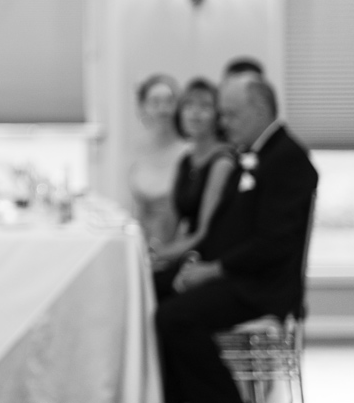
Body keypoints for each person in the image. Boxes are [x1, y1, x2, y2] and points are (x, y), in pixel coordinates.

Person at [154, 75, 318, 403]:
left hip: (262, 286)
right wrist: (194, 262)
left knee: (174, 318)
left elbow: (274, 244)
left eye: (230, 114)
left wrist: (213, 270)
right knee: (153, 288)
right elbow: (223, 230)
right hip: (237, 272)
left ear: (259, 110)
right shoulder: (250, 154)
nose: (223, 123)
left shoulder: (288, 159)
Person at [150, 78, 234, 270]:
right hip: (187, 254)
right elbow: (170, 222)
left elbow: (205, 234)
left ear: (218, 116)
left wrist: (161, 255)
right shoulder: (185, 161)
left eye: (205, 106)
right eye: (188, 105)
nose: (195, 113)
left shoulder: (223, 162)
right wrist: (154, 248)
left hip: (209, 260)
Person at [129, 74, 188, 250]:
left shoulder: (188, 153)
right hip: (140, 245)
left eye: (169, 102)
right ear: (143, 108)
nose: (163, 110)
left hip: (177, 248)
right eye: (155, 102)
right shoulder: (135, 152)